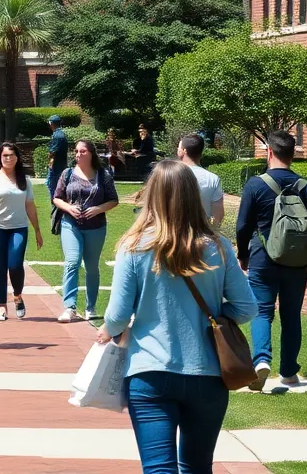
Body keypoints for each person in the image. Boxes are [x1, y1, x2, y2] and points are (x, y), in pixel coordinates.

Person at [97, 160, 257, 474]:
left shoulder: (134, 246)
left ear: (152, 194)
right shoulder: (218, 247)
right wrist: (213, 316)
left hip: (150, 371)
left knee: (159, 468)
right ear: (193, 195)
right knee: (197, 467)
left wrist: (107, 329)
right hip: (207, 372)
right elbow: (246, 308)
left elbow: (117, 316)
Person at [236, 130, 307, 389]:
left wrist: (243, 255)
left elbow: (243, 226)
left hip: (262, 259)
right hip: (297, 262)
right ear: (292, 155)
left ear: (269, 152)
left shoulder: (255, 185)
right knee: (291, 315)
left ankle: (261, 359)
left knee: (263, 311)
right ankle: (289, 371)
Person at [52, 138, 120, 322]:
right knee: (72, 262)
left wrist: (98, 209)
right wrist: (68, 208)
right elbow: (56, 197)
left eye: (82, 151)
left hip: (96, 227)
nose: (78, 154)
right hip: (70, 224)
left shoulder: (103, 175)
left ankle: (91, 307)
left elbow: (114, 200)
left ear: (91, 154)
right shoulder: (67, 173)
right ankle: (70, 307)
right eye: (76, 151)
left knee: (91, 266)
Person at [0, 142, 42, 321]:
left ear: (17, 158)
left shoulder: (24, 180)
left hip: (18, 228)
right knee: (0, 268)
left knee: (15, 265)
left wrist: (37, 230)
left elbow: (30, 205)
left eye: (11, 155)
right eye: (5, 155)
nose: (8, 158)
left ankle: (17, 296)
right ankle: (2, 307)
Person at [177, 134, 224, 228]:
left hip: (173, 230)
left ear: (184, 151)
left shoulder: (170, 175)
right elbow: (218, 215)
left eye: (179, 147)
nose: (177, 149)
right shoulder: (213, 179)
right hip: (201, 230)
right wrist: (213, 232)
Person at [45, 115, 68, 197]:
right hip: (60, 166)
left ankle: (55, 203)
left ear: (51, 123)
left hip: (56, 167)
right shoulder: (60, 134)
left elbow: (52, 152)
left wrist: (50, 165)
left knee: (53, 188)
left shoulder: (58, 136)